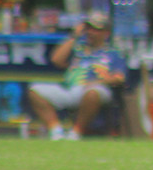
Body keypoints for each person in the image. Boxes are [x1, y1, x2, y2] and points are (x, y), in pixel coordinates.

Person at [28, 9, 127, 140]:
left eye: (96, 30)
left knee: (93, 93)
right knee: (35, 90)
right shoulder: (78, 48)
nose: (91, 32)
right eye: (89, 28)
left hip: (96, 90)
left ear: (106, 33)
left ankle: (76, 132)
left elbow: (119, 78)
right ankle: (55, 130)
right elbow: (56, 60)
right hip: (70, 88)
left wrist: (99, 81)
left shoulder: (113, 53)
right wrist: (74, 36)